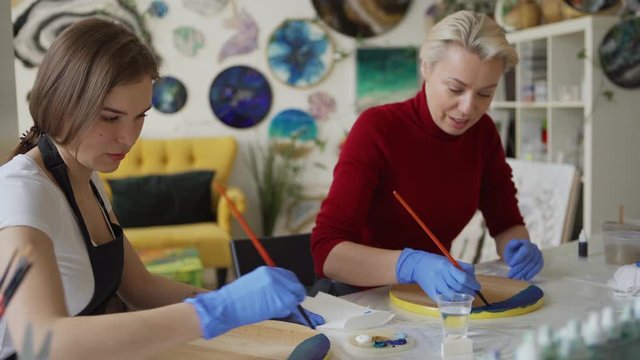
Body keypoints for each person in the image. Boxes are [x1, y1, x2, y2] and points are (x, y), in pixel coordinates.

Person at [0, 18, 321, 360]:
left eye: (140, 116)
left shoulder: (89, 178)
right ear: (61, 104)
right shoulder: (21, 191)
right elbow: (38, 340)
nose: (129, 137)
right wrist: (218, 311)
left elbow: (141, 288)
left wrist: (247, 308)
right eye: (110, 118)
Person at [311, 11, 544, 300]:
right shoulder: (377, 129)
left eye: (485, 93)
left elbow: (506, 223)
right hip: (359, 302)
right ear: (426, 68)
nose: (467, 108)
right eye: (455, 89)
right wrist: (411, 264)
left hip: (430, 300)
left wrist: (517, 248)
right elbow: (327, 253)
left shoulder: (482, 133)